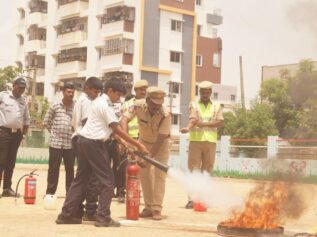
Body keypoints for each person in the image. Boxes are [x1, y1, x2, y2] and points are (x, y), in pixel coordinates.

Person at [56, 78, 148, 227]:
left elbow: (111, 131)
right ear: (110, 90)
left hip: (83, 141)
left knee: (81, 180)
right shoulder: (104, 104)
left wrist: (125, 144)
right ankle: (103, 217)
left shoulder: (99, 102)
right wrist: (138, 145)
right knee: (107, 180)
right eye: (117, 94)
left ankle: (66, 215)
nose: (119, 98)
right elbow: (116, 128)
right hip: (93, 143)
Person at [120, 86, 171, 221]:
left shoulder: (166, 114)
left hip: (161, 145)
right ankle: (148, 207)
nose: (156, 108)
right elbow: (124, 120)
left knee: (160, 176)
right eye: (154, 105)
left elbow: (161, 138)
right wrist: (128, 141)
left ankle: (157, 208)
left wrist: (148, 157)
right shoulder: (137, 106)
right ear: (147, 100)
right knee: (144, 175)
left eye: (159, 104)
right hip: (143, 142)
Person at [180, 81, 224, 209]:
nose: (205, 94)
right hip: (196, 141)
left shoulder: (216, 105)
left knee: (207, 171)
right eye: (202, 92)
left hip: (210, 141)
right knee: (194, 170)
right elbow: (193, 119)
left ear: (210, 93)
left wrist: (203, 124)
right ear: (199, 93)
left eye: (207, 92)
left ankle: (203, 199)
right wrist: (188, 128)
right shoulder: (193, 104)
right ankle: (192, 200)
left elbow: (220, 122)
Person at [71, 77, 103, 220]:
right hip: (86, 139)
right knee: (92, 178)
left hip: (81, 139)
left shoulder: (82, 100)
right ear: (87, 88)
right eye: (95, 91)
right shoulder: (86, 101)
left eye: (98, 93)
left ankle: (76, 209)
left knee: (83, 177)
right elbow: (87, 121)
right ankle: (90, 210)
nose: (96, 95)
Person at [113, 79, 148, 203]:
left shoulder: (149, 104)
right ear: (136, 90)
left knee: (140, 167)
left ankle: (136, 191)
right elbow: (122, 121)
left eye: (145, 89)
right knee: (125, 166)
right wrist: (124, 140)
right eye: (141, 89)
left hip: (143, 140)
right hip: (129, 139)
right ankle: (123, 192)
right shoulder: (127, 104)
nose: (143, 92)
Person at [0, 77, 30, 198]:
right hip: (3, 133)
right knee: (1, 161)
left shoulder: (24, 101)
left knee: (11, 162)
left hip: (16, 134)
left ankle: (7, 189)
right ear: (14, 85)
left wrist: (23, 134)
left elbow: (26, 119)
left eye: (23, 89)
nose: (21, 91)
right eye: (19, 88)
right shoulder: (3, 96)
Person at [43, 82, 75, 195]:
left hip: (70, 144)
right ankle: (50, 193)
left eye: (72, 92)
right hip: (55, 143)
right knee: (53, 169)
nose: (71, 94)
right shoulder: (55, 106)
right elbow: (46, 122)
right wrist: (54, 133)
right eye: (68, 92)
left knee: (70, 170)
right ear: (63, 92)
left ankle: (70, 193)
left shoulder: (76, 107)